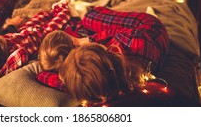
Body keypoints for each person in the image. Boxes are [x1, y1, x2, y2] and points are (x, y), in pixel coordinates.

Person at [37, 6, 170, 105]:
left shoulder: (87, 85)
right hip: (149, 28)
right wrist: (88, 40)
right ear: (109, 53)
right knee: (90, 17)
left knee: (88, 21)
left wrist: (64, 75)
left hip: (141, 38)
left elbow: (42, 75)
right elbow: (114, 33)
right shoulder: (133, 43)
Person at [0, 0, 72, 81]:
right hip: (42, 38)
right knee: (63, 16)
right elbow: (21, 53)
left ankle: (55, 8)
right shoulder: (10, 59)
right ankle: (64, 6)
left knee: (43, 15)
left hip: (24, 31)